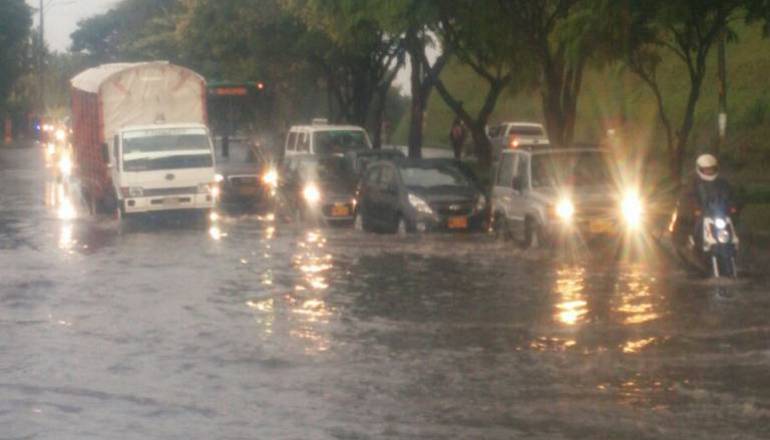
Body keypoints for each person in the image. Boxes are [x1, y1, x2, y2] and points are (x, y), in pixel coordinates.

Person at [673, 154, 736, 250]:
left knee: (735, 226)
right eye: (706, 170)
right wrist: (694, 208)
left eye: (711, 169)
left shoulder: (722, 183)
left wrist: (733, 206)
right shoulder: (692, 183)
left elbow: (731, 196)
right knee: (684, 224)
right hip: (700, 214)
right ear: (699, 169)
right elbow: (686, 198)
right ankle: (687, 243)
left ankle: (735, 245)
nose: (709, 172)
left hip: (718, 214)